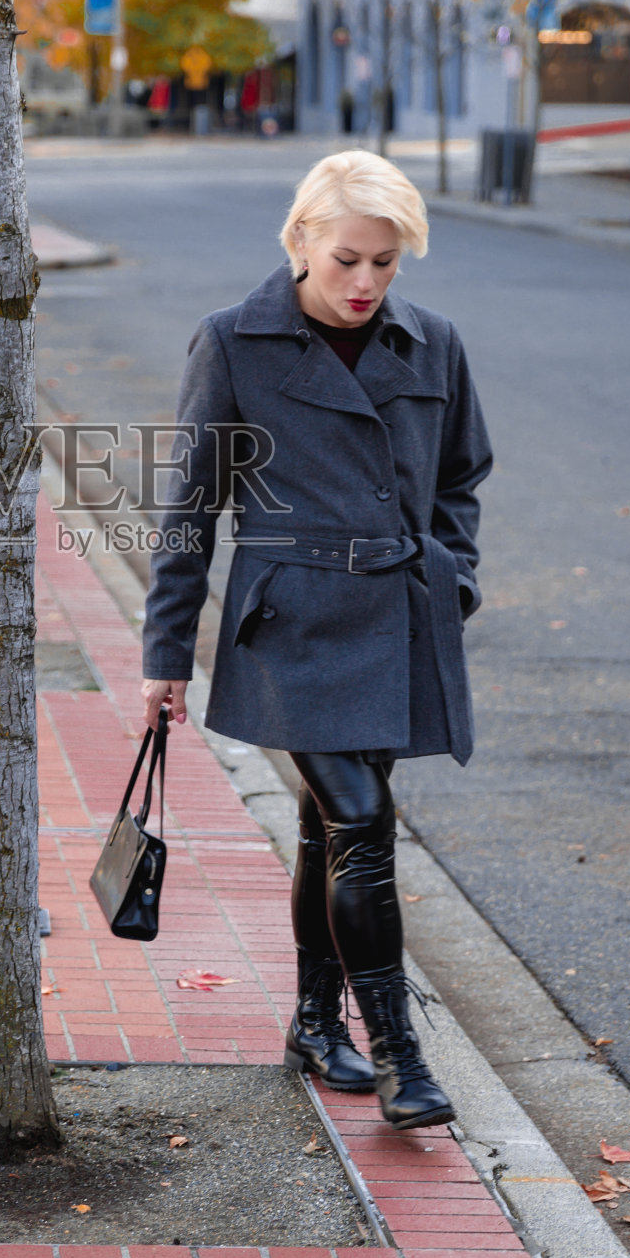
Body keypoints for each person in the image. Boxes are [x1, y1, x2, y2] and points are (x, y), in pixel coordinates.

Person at [140, 150, 492, 1131]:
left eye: (384, 262)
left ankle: (309, 1021)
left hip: (395, 622)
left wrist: (451, 576)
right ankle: (398, 1055)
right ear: (299, 240)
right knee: (360, 822)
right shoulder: (232, 342)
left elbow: (461, 476)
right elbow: (189, 510)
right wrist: (164, 652)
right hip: (288, 621)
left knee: (327, 829)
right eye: (346, 258)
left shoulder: (431, 344)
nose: (364, 282)